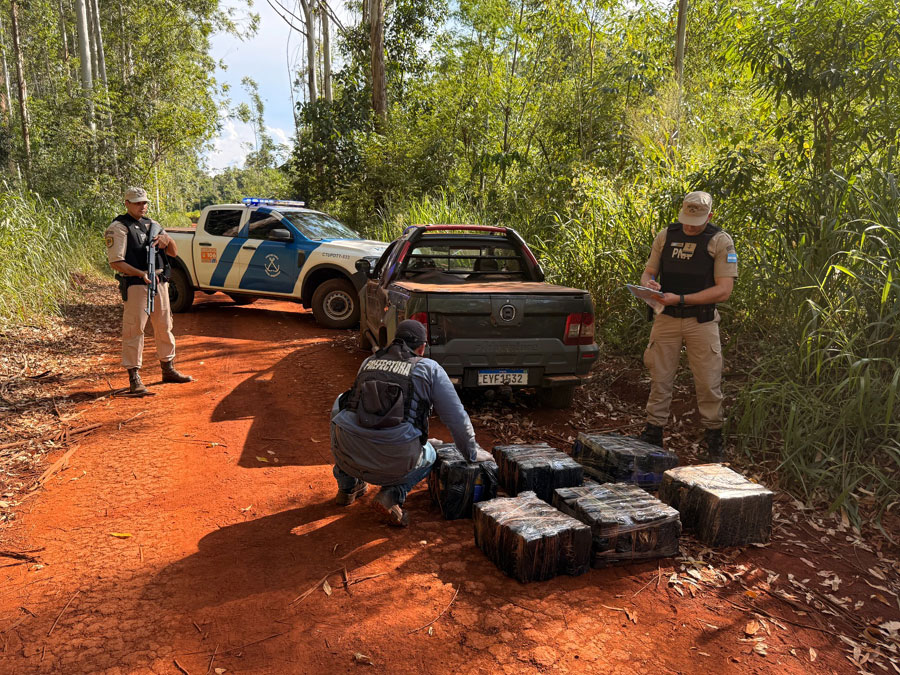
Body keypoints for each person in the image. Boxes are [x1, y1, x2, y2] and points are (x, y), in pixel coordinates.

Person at [330, 319, 491, 527]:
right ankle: (392, 493)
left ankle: (347, 487)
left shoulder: (369, 362)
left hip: (348, 455)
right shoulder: (428, 368)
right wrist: (471, 453)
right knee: (431, 455)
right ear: (422, 347)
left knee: (342, 404)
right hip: (395, 463)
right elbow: (456, 418)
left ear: (395, 340)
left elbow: (357, 405)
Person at [636, 191, 738, 460]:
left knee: (708, 382)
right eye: (686, 220)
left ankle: (713, 439)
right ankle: (653, 432)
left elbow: (724, 290)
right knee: (660, 378)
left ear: (710, 216)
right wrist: (649, 284)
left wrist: (681, 299)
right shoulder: (666, 236)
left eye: (696, 222)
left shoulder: (720, 241)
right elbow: (648, 272)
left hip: (701, 321)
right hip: (666, 318)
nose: (690, 227)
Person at [105, 187, 193, 395]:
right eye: (137, 202)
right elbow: (116, 262)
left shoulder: (154, 225)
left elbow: (173, 252)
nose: (142, 206)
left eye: (144, 202)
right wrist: (140, 273)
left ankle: (168, 369)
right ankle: (134, 377)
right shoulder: (119, 227)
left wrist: (167, 240)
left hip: (160, 281)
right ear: (126, 203)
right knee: (134, 329)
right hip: (136, 284)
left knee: (164, 326)